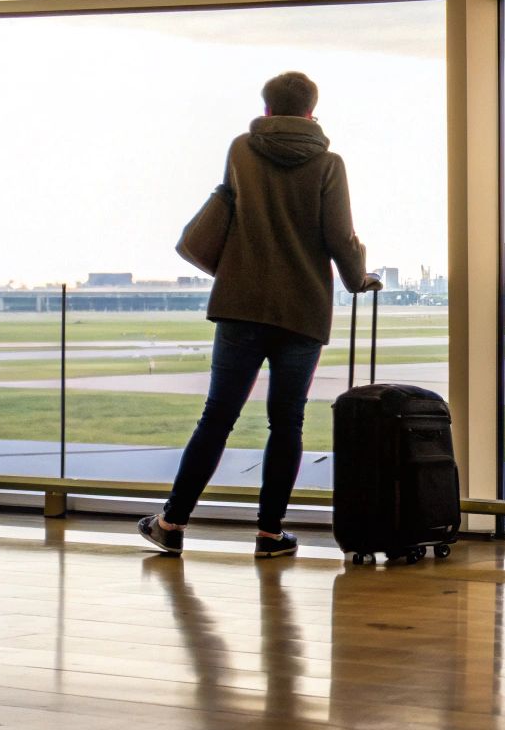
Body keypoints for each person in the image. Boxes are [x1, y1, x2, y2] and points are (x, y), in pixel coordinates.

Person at [139, 71, 380, 558]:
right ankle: (270, 535)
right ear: (313, 111)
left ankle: (173, 522)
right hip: (303, 308)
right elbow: (339, 236)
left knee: (217, 417)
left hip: (241, 302)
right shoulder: (330, 163)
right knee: (286, 423)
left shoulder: (241, 150)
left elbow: (228, 211)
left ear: (267, 109)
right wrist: (360, 279)